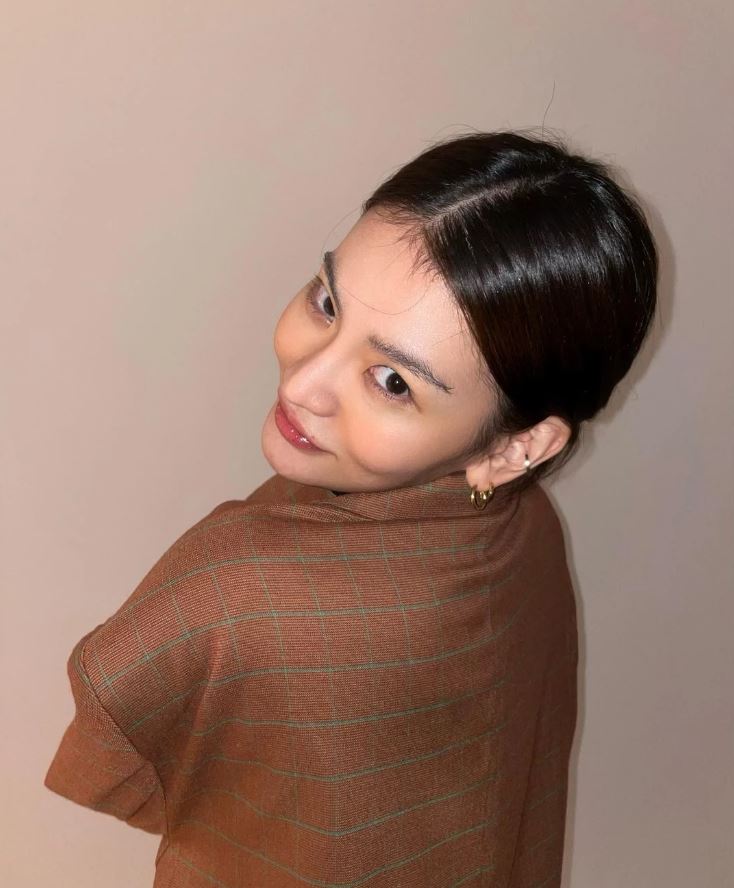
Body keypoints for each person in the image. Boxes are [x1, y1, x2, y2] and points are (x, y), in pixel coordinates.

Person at [44, 129, 658, 887]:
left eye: (393, 381)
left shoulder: (235, 588)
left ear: (517, 447)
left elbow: (119, 761)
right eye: (327, 301)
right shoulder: (523, 526)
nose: (303, 383)